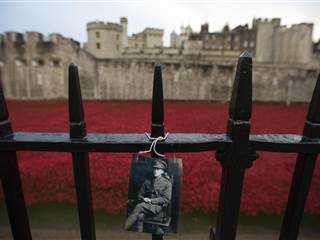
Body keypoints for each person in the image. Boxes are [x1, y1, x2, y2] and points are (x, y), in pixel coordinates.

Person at [125, 158, 172, 232]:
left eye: (158, 169)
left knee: (139, 206)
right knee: (140, 216)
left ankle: (124, 228)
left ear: (162, 171)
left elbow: (166, 199)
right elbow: (139, 194)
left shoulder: (167, 183)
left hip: (158, 208)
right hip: (147, 206)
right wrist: (143, 198)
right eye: (155, 169)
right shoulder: (148, 181)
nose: (156, 171)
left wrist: (151, 200)